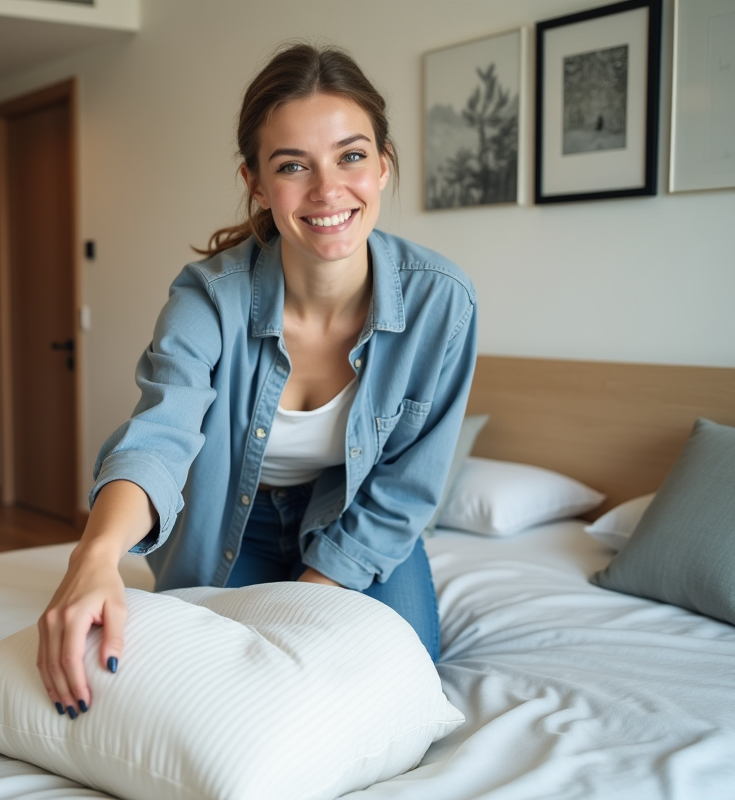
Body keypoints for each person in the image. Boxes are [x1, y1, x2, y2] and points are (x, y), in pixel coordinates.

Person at [37, 42, 477, 720]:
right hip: (228, 525)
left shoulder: (441, 303)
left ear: (384, 166)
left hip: (354, 523)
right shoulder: (208, 299)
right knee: (194, 690)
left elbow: (406, 487)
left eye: (351, 156)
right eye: (293, 166)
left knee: (400, 679)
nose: (328, 189)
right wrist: (94, 556)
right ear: (257, 182)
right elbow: (160, 436)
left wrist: (309, 597)